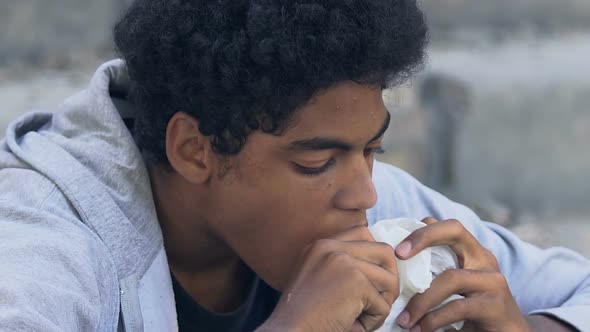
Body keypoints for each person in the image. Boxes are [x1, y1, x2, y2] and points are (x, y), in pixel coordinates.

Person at [0, 0, 588, 331]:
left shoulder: (371, 203)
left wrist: (526, 330)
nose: (363, 193)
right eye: (318, 161)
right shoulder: (46, 243)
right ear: (194, 150)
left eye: (372, 149)